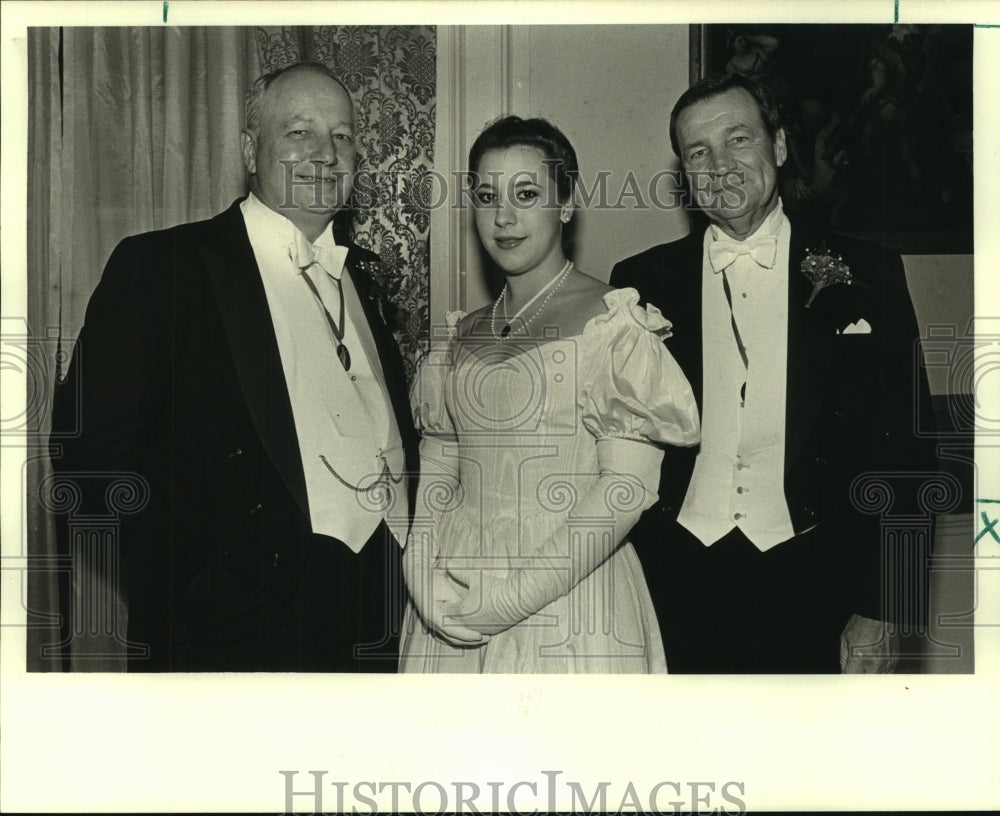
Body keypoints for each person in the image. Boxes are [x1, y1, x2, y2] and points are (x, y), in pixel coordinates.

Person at [50, 62, 418, 672]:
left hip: (377, 620)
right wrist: (193, 586)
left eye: (344, 135)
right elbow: (87, 456)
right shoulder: (165, 266)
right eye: (299, 131)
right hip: (233, 635)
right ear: (251, 149)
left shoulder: (363, 282)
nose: (326, 153)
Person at [611, 73, 938, 673]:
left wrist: (888, 604)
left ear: (779, 146)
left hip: (820, 588)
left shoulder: (869, 274)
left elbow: (909, 452)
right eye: (698, 152)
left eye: (739, 139)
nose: (721, 165)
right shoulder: (640, 282)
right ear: (684, 174)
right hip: (673, 587)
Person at [399, 116, 700, 673]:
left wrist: (510, 599)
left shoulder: (614, 325)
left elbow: (627, 490)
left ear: (566, 203)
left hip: (570, 599)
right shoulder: (459, 334)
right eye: (487, 196)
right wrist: (417, 563)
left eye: (527, 193)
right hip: (451, 595)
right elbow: (440, 463)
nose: (503, 217)